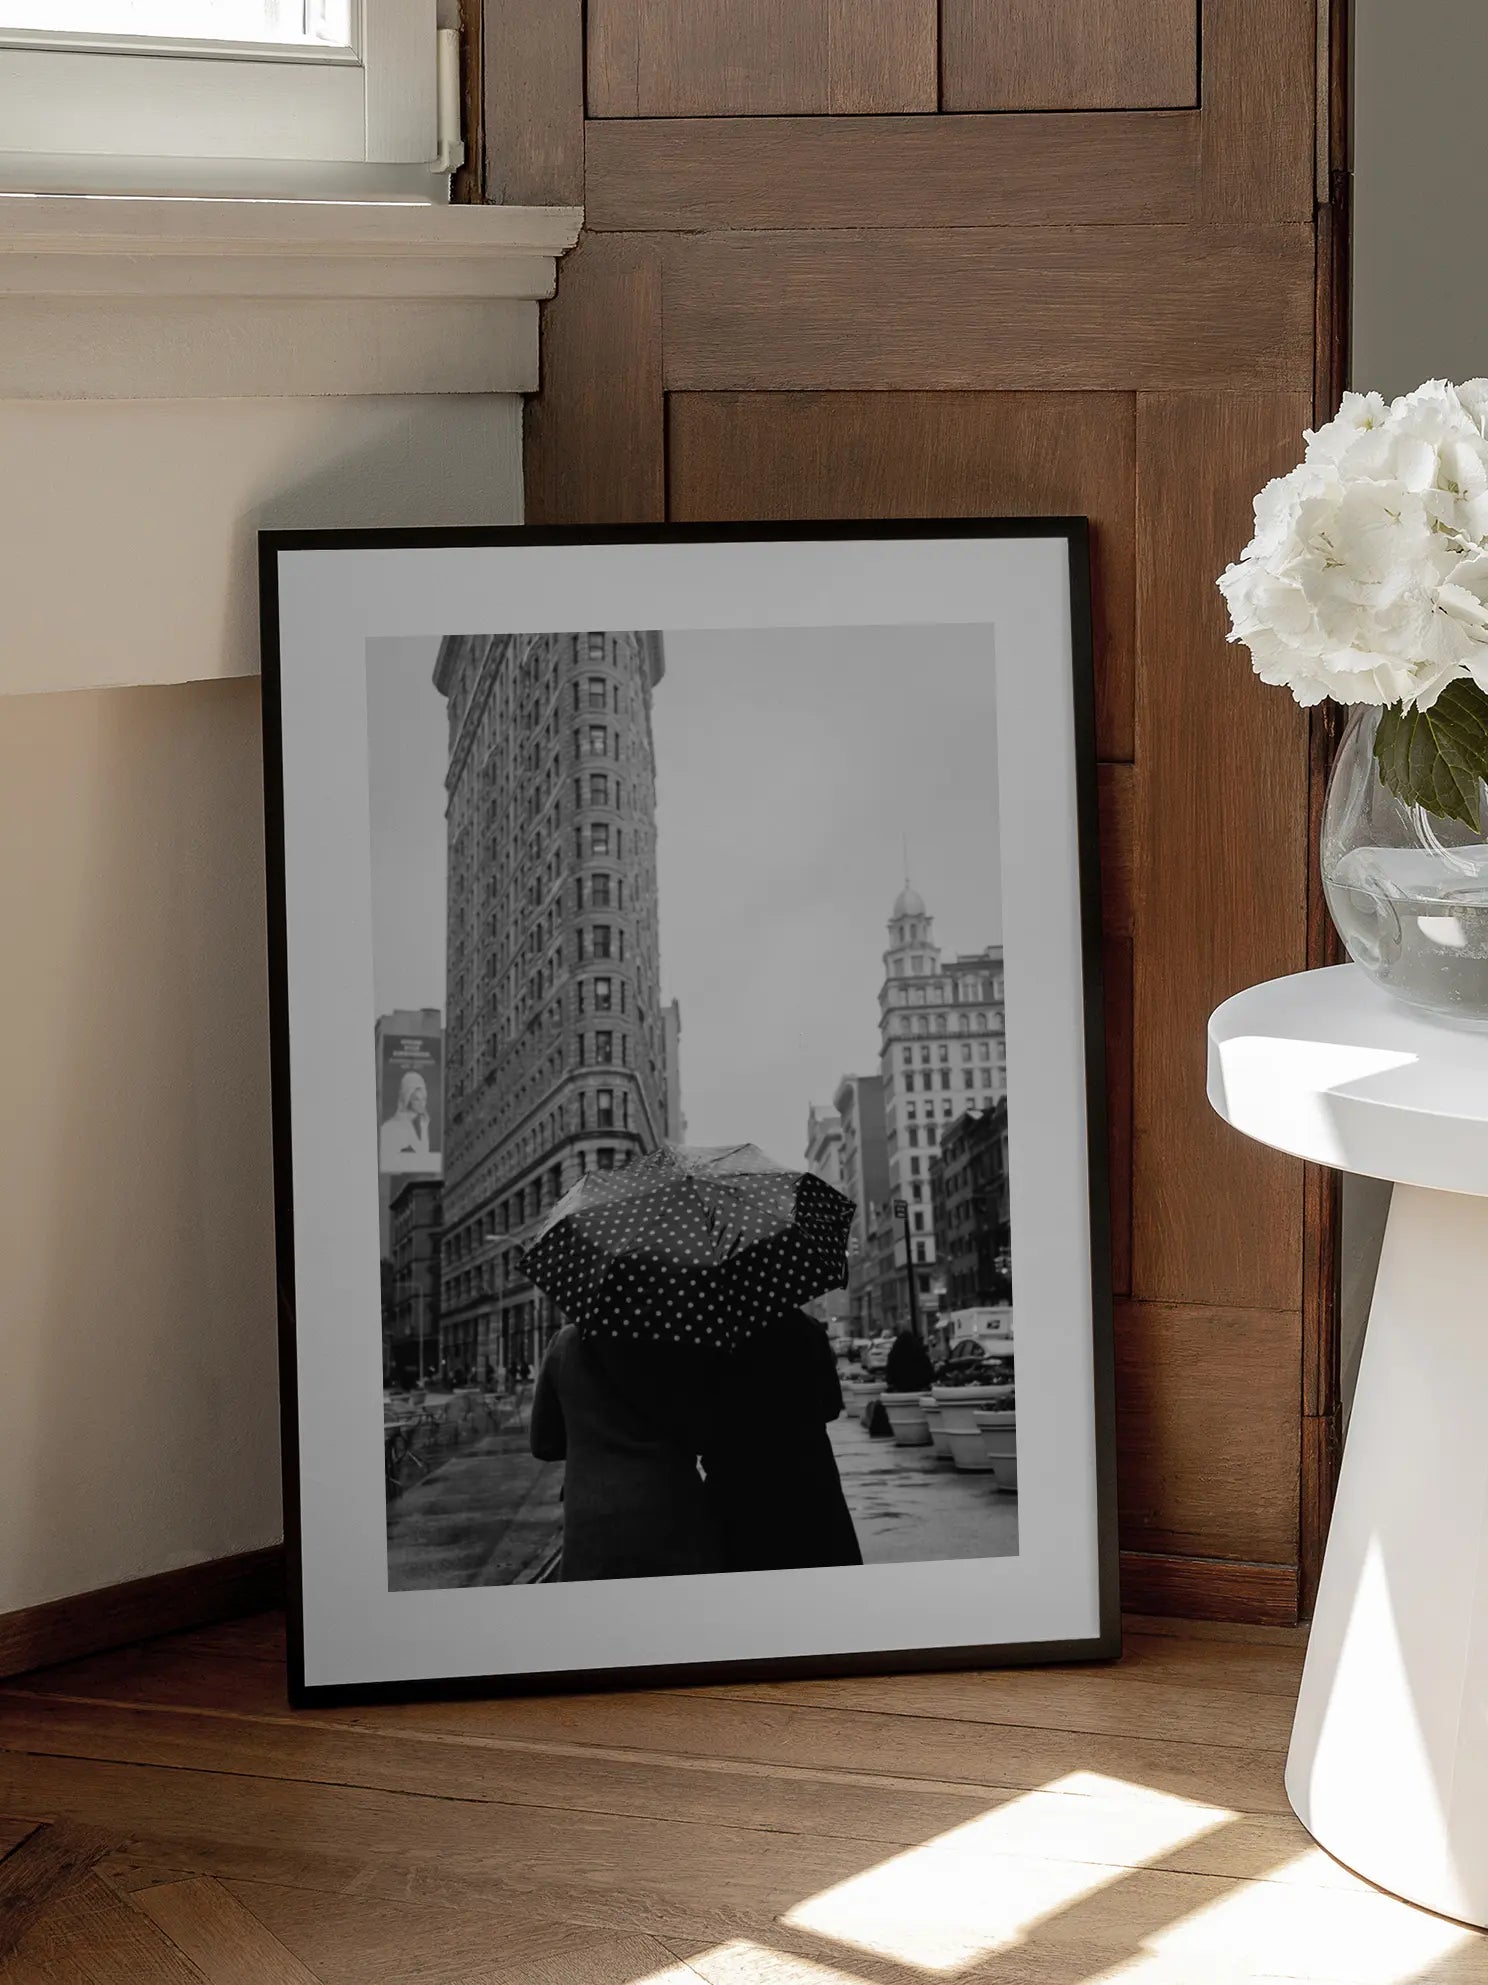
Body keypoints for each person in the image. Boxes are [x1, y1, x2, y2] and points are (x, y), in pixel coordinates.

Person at [529, 1324, 724, 1582]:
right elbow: (705, 1432)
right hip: (674, 1514)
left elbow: (544, 1443)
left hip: (593, 1524)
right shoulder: (680, 1339)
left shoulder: (566, 1344)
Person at [703, 1309, 862, 1573]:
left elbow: (701, 1422)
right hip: (809, 1480)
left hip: (740, 1488)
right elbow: (832, 1405)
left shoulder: (715, 1334)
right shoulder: (806, 1329)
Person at [379, 1071, 437, 1173]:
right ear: (407, 1099)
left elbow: (423, 1155)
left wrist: (424, 1127)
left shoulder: (410, 1124)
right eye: (416, 1099)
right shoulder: (391, 1127)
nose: (422, 1104)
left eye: (424, 1099)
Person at [884, 1326, 935, 1394]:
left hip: (900, 1389)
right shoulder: (920, 1353)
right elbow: (930, 1374)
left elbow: (889, 1376)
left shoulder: (894, 1355)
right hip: (920, 1388)